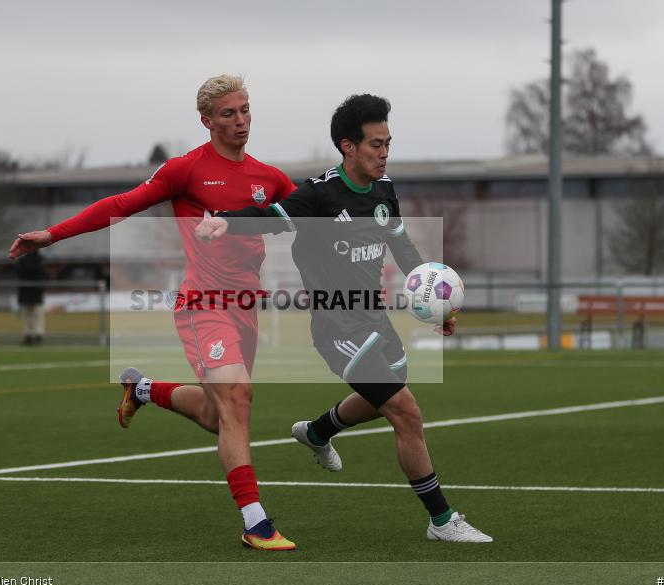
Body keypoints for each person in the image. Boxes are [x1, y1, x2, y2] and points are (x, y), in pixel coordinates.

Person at [8, 75, 298, 551]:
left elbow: (311, 211)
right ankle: (256, 522)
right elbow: (121, 205)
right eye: (229, 113)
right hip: (202, 305)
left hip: (246, 309)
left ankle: (141, 388)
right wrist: (53, 234)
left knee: (215, 414)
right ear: (206, 121)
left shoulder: (269, 177)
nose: (241, 120)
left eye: (245, 109)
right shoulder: (185, 170)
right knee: (237, 399)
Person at [196, 94, 493, 543]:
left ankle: (318, 431)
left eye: (388, 143)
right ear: (347, 146)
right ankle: (442, 520)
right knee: (406, 411)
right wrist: (224, 221)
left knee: (384, 399)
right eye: (375, 144)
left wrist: (434, 303)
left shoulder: (383, 190)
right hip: (337, 327)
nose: (384, 152)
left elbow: (402, 245)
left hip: (374, 320)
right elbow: (270, 218)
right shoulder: (319, 195)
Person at [16, 249, 47, 345]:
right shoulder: (40, 260)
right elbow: (45, 275)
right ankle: (38, 334)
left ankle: (28, 334)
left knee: (28, 315)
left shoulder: (22, 261)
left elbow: (18, 273)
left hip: (25, 291)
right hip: (36, 292)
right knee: (37, 314)